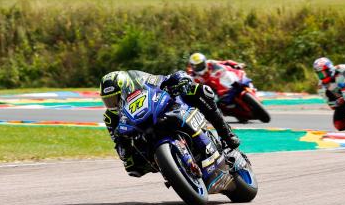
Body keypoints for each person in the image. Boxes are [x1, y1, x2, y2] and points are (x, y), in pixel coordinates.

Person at [100, 70, 240, 183]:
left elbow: (164, 78)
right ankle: (174, 169)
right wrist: (126, 155)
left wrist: (179, 79)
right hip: (142, 133)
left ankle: (226, 133)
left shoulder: (141, 81)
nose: (112, 104)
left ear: (126, 88)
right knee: (133, 165)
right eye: (108, 101)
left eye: (114, 99)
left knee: (199, 90)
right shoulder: (110, 117)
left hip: (163, 110)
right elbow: (118, 142)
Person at [313, 57, 345, 131]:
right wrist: (337, 102)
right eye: (320, 74)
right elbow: (332, 106)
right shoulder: (321, 87)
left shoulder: (343, 68)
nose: (322, 76)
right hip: (343, 99)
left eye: (323, 73)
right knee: (339, 124)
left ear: (330, 69)